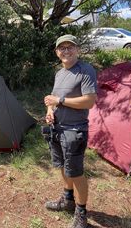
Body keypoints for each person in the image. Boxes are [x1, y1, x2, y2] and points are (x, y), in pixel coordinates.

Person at [44, 34, 97, 228]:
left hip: (74, 131)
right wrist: (50, 111)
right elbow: (54, 98)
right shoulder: (60, 73)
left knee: (75, 173)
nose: (65, 50)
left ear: (77, 50)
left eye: (70, 47)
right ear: (57, 52)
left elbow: (90, 101)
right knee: (61, 166)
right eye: (61, 48)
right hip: (56, 129)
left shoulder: (85, 70)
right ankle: (67, 200)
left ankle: (81, 212)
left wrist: (60, 101)